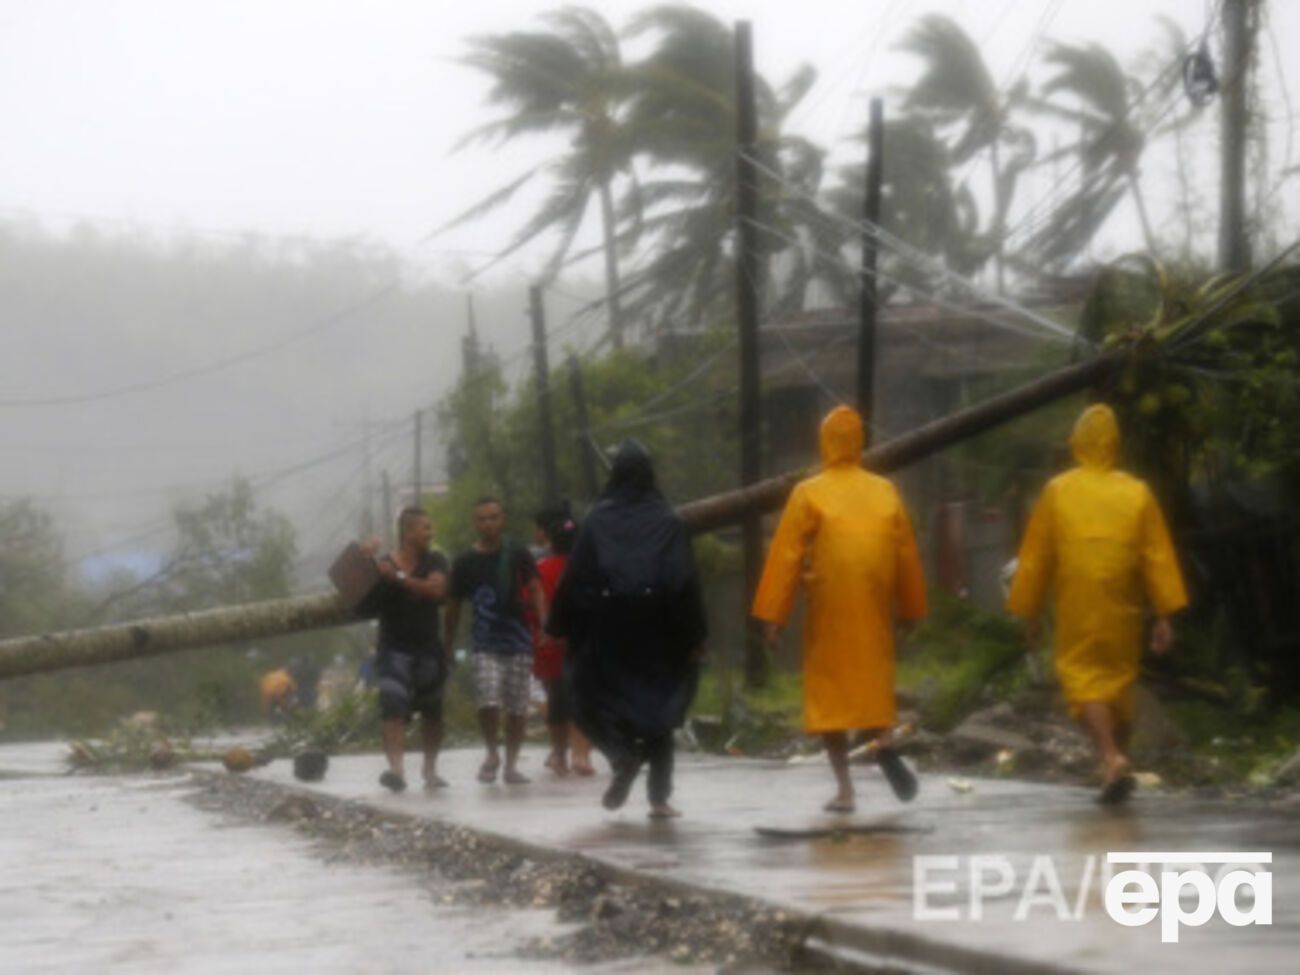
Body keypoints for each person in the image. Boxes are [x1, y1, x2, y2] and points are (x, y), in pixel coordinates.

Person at [1006, 403, 1188, 803]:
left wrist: (1029, 611)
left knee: (1083, 676)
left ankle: (1110, 756)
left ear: (1077, 443)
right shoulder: (1137, 492)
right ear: (1114, 444)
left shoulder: (1059, 491)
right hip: (1123, 598)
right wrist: (1164, 613)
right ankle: (1114, 767)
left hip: (1078, 598)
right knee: (1119, 680)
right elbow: (1157, 556)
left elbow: (1037, 558)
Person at [752, 405, 927, 814]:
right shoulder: (885, 491)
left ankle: (846, 790)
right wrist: (910, 610)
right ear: (859, 442)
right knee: (872, 682)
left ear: (825, 442)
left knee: (830, 699)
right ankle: (883, 741)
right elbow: (905, 555)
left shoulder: (809, 492)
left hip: (829, 604)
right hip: (873, 602)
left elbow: (787, 556)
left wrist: (773, 616)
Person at [547, 441, 707, 818]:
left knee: (583, 696)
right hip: (660, 630)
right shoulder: (669, 521)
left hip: (609, 631)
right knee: (659, 706)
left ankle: (621, 755)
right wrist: (696, 633)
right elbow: (685, 580)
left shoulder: (597, 521)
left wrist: (559, 624)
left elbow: (577, 578)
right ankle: (659, 798)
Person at [445, 497, 546, 786]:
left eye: (493, 517)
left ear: (503, 520)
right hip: (484, 643)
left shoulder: (518, 553)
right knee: (487, 700)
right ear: (474, 523)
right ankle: (492, 752)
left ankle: (511, 765)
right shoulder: (464, 562)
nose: (488, 523)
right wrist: (448, 644)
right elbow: (453, 606)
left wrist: (544, 624)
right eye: (482, 518)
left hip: (518, 641)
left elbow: (535, 588)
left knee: (516, 707)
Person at [361, 507, 450, 793]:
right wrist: (364, 560)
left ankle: (430, 768)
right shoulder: (383, 564)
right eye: (425, 528)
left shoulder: (436, 560)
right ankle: (396, 769)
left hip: (428, 648)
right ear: (408, 532)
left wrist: (398, 578)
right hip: (393, 647)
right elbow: (355, 593)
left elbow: (437, 591)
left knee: (432, 712)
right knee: (392, 707)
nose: (430, 533)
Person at [532, 503, 596, 777]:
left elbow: (530, 609)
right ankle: (581, 755)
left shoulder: (539, 569)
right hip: (585, 646)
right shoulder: (593, 569)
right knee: (582, 700)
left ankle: (559, 754)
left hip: (550, 648)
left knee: (557, 699)